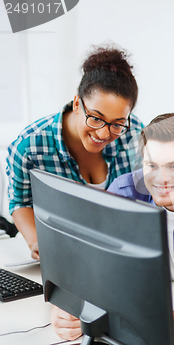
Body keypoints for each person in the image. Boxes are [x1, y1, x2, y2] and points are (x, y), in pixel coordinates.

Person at [50, 113, 174, 341]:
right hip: (137, 316)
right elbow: (91, 262)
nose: (162, 179)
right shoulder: (124, 194)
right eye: (152, 165)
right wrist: (70, 305)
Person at [6, 45, 144, 260]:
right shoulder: (29, 147)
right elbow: (20, 202)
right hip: (64, 256)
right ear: (78, 103)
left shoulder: (135, 134)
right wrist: (36, 241)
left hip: (118, 254)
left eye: (117, 123)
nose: (103, 133)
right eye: (96, 118)